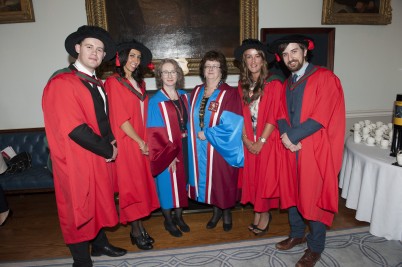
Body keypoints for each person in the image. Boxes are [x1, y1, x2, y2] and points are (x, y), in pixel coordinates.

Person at [42, 25, 127, 267]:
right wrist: (108, 150)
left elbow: (101, 118)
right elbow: (75, 128)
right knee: (78, 208)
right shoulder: (62, 83)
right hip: (76, 159)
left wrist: (111, 139)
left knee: (97, 201)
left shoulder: (96, 83)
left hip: (96, 155)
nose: (95, 53)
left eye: (100, 50)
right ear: (77, 49)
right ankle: (81, 260)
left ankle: (100, 245)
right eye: (89, 47)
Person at [269, 35, 345, 267]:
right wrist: (286, 137)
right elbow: (281, 113)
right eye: (285, 54)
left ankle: (315, 247)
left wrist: (291, 137)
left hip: (314, 148)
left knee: (313, 197)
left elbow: (320, 117)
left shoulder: (326, 78)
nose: (290, 57)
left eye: (294, 52)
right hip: (291, 148)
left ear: (305, 52)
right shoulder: (287, 83)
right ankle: (297, 233)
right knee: (292, 193)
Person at [104, 39, 159, 250]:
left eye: (138, 57)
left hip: (141, 141)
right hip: (128, 143)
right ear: (121, 57)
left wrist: (147, 140)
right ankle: (137, 231)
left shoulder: (140, 83)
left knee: (141, 184)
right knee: (132, 186)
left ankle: (139, 227)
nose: (135, 60)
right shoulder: (113, 82)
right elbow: (120, 118)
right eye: (132, 56)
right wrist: (139, 141)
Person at [187, 50, 244, 232]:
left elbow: (233, 123)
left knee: (222, 180)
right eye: (208, 66)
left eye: (215, 66)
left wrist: (209, 133)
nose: (211, 69)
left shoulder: (229, 93)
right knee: (209, 181)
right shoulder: (196, 92)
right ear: (203, 70)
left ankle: (226, 213)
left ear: (222, 70)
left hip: (220, 146)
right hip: (199, 147)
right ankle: (216, 212)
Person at [234, 39, 283, 236]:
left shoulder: (274, 82)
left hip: (267, 139)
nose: (253, 61)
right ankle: (258, 211)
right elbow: (241, 114)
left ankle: (264, 214)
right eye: (248, 57)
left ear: (263, 60)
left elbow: (274, 115)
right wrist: (246, 139)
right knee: (253, 178)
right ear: (244, 61)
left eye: (257, 56)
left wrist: (260, 142)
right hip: (249, 139)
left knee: (264, 178)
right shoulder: (243, 84)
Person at [147, 59, 190, 237]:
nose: (170, 75)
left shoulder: (184, 96)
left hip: (185, 147)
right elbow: (155, 133)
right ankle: (168, 221)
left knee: (181, 183)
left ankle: (179, 217)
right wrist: (168, 156)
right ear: (160, 76)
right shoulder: (155, 101)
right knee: (166, 186)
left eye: (173, 71)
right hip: (167, 151)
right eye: (165, 72)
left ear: (178, 74)